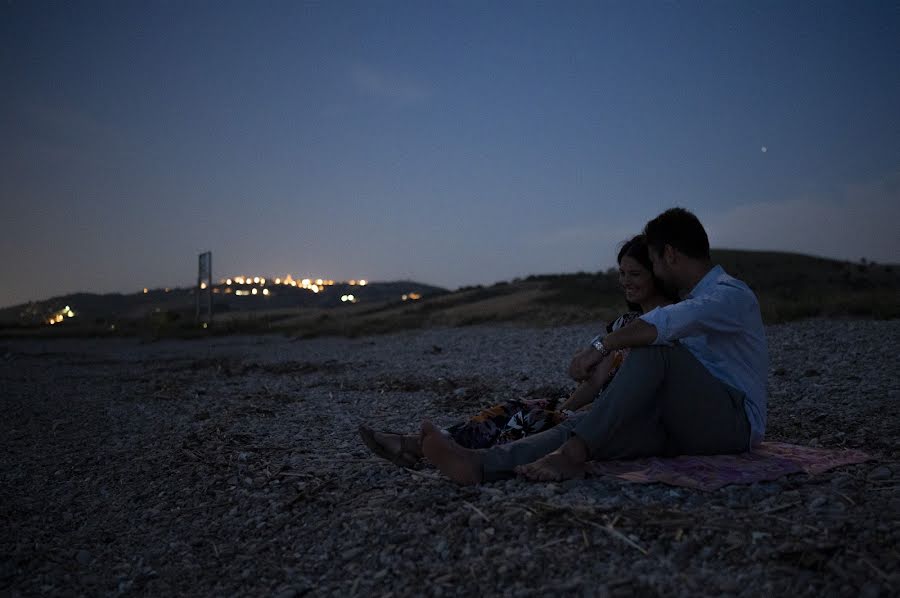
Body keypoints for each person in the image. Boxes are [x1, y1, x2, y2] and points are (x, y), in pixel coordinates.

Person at [421, 207, 769, 484]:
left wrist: (601, 346)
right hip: (687, 420)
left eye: (655, 261)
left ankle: (571, 455)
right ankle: (481, 465)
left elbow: (663, 326)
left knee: (658, 349)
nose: (656, 272)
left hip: (734, 424)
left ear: (670, 255)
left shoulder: (728, 294)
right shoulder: (697, 299)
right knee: (595, 426)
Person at [359, 234, 676, 468]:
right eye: (622, 273)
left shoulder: (672, 322)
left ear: (657, 274)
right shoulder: (624, 323)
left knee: (534, 418)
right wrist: (564, 408)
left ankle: (466, 458)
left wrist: (567, 414)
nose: (626, 282)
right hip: (596, 405)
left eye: (634, 274)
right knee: (517, 406)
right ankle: (419, 444)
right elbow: (595, 384)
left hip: (624, 417)